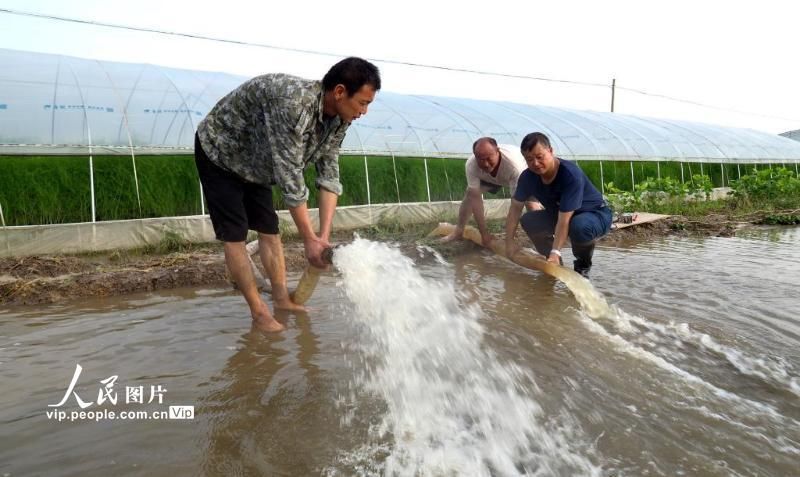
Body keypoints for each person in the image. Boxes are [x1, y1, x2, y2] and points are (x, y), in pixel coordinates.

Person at [194, 57, 381, 332]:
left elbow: (329, 173)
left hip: (258, 163)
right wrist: (308, 239)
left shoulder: (341, 118)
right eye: (363, 103)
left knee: (270, 231)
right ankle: (258, 312)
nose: (364, 112)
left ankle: (282, 301)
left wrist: (323, 239)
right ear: (340, 92)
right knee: (235, 235)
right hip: (221, 153)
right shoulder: (293, 105)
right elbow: (291, 177)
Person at [504, 132, 612, 277]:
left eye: (539, 157)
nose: (535, 163)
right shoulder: (527, 177)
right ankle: (552, 263)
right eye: (529, 159)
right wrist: (509, 242)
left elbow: (564, 220)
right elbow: (515, 209)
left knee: (579, 226)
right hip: (560, 214)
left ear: (551, 151)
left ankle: (582, 268)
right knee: (529, 220)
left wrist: (556, 251)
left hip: (594, 215)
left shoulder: (569, 175)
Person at [441, 137, 541, 247]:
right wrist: (484, 234)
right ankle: (458, 231)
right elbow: (476, 200)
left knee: (531, 204)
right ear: (475, 156)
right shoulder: (471, 165)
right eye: (481, 159)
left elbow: (516, 207)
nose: (486, 164)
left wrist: (509, 239)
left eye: (489, 158)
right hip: (491, 178)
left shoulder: (514, 166)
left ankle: (543, 240)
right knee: (470, 194)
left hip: (522, 175)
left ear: (498, 151)